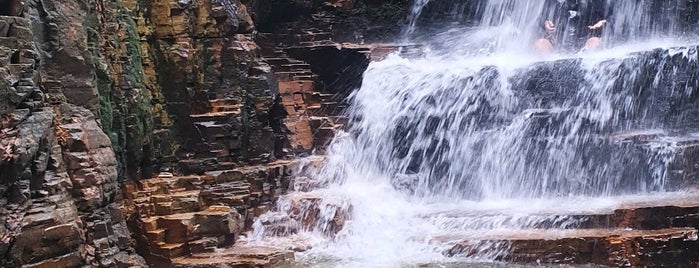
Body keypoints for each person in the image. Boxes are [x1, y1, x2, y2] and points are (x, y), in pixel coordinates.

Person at [534, 0, 610, 53]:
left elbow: (611, 16)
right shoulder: (552, 1)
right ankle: (544, 74)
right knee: (540, 45)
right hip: (555, 41)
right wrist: (545, 23)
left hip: (585, 39)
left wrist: (604, 22)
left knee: (595, 43)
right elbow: (540, 18)